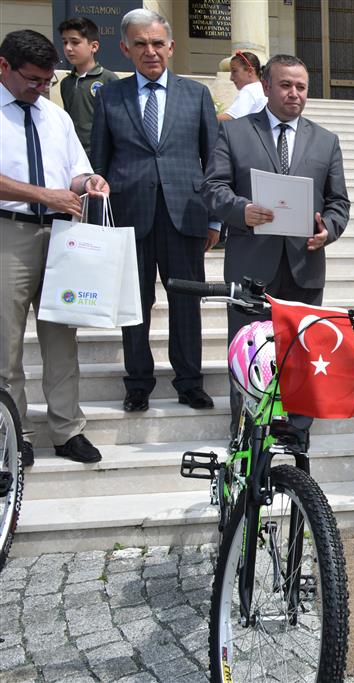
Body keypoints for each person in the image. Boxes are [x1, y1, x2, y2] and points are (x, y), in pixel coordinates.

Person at [202, 54, 350, 450]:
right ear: (266, 87)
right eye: (286, 85)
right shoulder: (235, 134)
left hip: (304, 263)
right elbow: (213, 189)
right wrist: (241, 211)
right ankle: (247, 433)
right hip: (252, 264)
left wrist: (328, 230)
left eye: (301, 87)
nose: (294, 94)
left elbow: (339, 203)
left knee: (302, 350)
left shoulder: (325, 140)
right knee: (249, 349)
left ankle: (297, 430)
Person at [90, 8, 219, 414]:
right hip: (130, 215)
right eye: (141, 44)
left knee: (186, 303)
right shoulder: (110, 95)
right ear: (125, 48)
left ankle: (189, 381)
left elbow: (213, 160)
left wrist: (215, 218)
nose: (151, 51)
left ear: (171, 46)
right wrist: (100, 216)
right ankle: (138, 382)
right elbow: (100, 161)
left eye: (158, 43)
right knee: (134, 303)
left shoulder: (196, 94)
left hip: (186, 214)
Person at [0, 29, 109, 465]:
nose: (41, 88)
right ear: (3, 67)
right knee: (5, 343)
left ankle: (68, 430)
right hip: (10, 235)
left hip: (62, 237)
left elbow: (74, 173)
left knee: (62, 339)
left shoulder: (55, 116)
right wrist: (45, 196)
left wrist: (89, 182)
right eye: (33, 79)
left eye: (47, 80)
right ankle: (12, 433)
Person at [58, 17, 118, 155]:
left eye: (75, 42)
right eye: (65, 42)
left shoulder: (108, 79)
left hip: (101, 154)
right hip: (74, 153)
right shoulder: (66, 83)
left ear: (94, 46)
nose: (68, 48)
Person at [216, 50, 266, 122]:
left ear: (250, 71)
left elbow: (231, 117)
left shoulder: (250, 90)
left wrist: (203, 118)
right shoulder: (261, 89)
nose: (231, 78)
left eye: (234, 71)